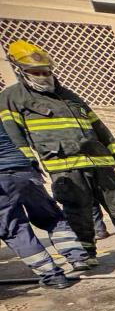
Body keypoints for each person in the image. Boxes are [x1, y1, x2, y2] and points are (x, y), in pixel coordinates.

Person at [0, 40, 115, 260]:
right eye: (37, 72)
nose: (44, 76)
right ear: (23, 72)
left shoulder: (70, 96)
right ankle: (88, 254)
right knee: (78, 212)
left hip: (99, 162)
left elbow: (99, 126)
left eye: (47, 71)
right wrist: (29, 163)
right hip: (64, 166)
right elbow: (14, 134)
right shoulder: (13, 97)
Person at [0, 122, 89, 288]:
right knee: (51, 217)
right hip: (24, 170)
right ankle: (78, 258)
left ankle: (53, 276)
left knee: (16, 230)